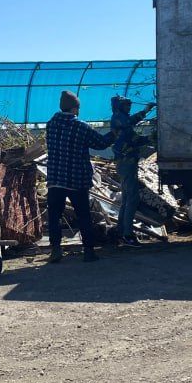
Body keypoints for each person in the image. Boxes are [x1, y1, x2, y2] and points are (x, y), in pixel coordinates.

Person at [45, 89, 114, 263]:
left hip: (55, 180)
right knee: (83, 215)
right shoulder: (80, 126)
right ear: (75, 108)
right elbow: (101, 143)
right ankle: (89, 252)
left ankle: (55, 251)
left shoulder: (51, 124)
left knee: (54, 216)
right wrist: (115, 133)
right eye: (78, 107)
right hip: (76, 180)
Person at [110, 96, 155, 246]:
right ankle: (128, 234)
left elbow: (135, 139)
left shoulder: (124, 124)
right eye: (126, 105)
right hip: (126, 163)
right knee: (132, 199)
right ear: (119, 107)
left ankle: (121, 231)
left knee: (127, 198)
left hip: (128, 163)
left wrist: (150, 138)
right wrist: (145, 111)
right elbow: (130, 123)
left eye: (129, 105)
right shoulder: (118, 119)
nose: (129, 108)